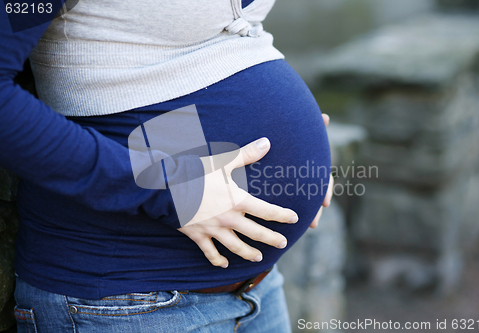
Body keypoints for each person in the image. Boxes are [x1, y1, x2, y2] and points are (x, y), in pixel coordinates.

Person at [1, 0, 333, 332]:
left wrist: (295, 153)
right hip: (129, 299)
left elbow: (200, 49)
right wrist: (172, 190)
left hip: (257, 285)